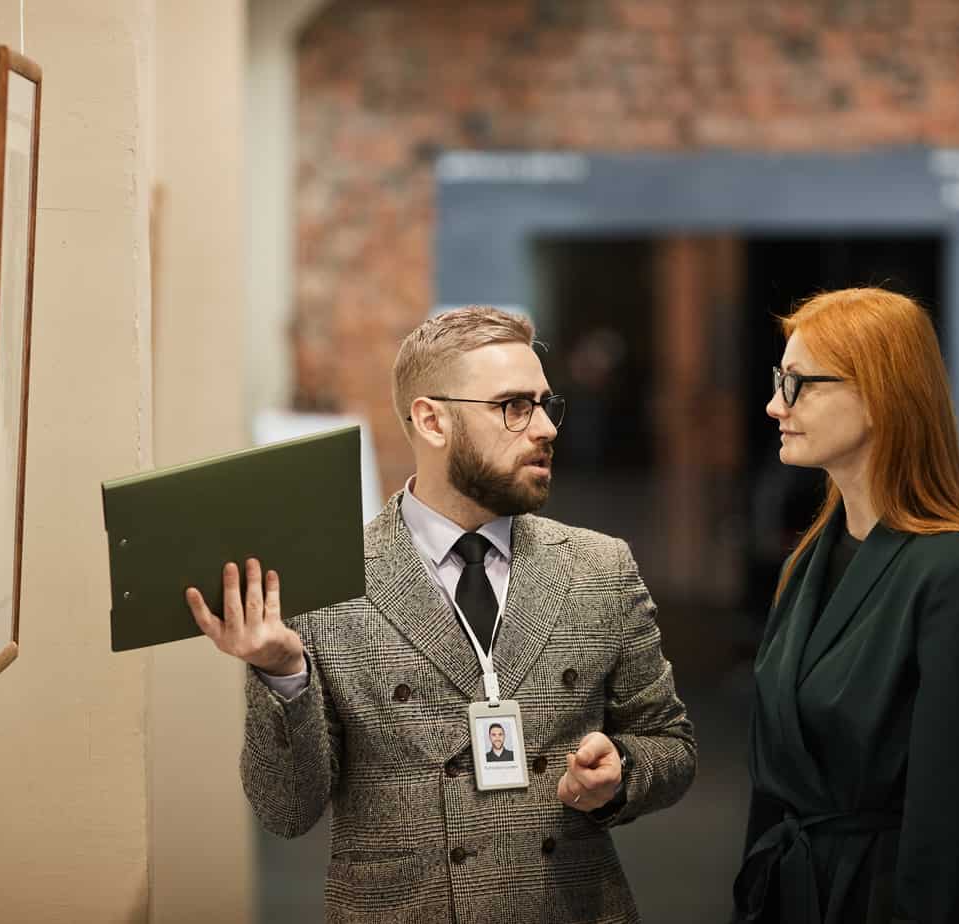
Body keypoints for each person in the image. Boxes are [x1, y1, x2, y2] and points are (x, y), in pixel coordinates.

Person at [187, 306, 696, 924]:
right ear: (432, 420)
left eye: (545, 404)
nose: (544, 428)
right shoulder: (330, 584)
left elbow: (669, 745)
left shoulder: (598, 568)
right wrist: (280, 672)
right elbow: (285, 812)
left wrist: (622, 773)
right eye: (512, 406)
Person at [731, 288, 959, 923]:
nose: (773, 405)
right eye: (777, 381)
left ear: (880, 394)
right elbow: (774, 791)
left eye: (798, 384)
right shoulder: (805, 564)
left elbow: (949, 828)